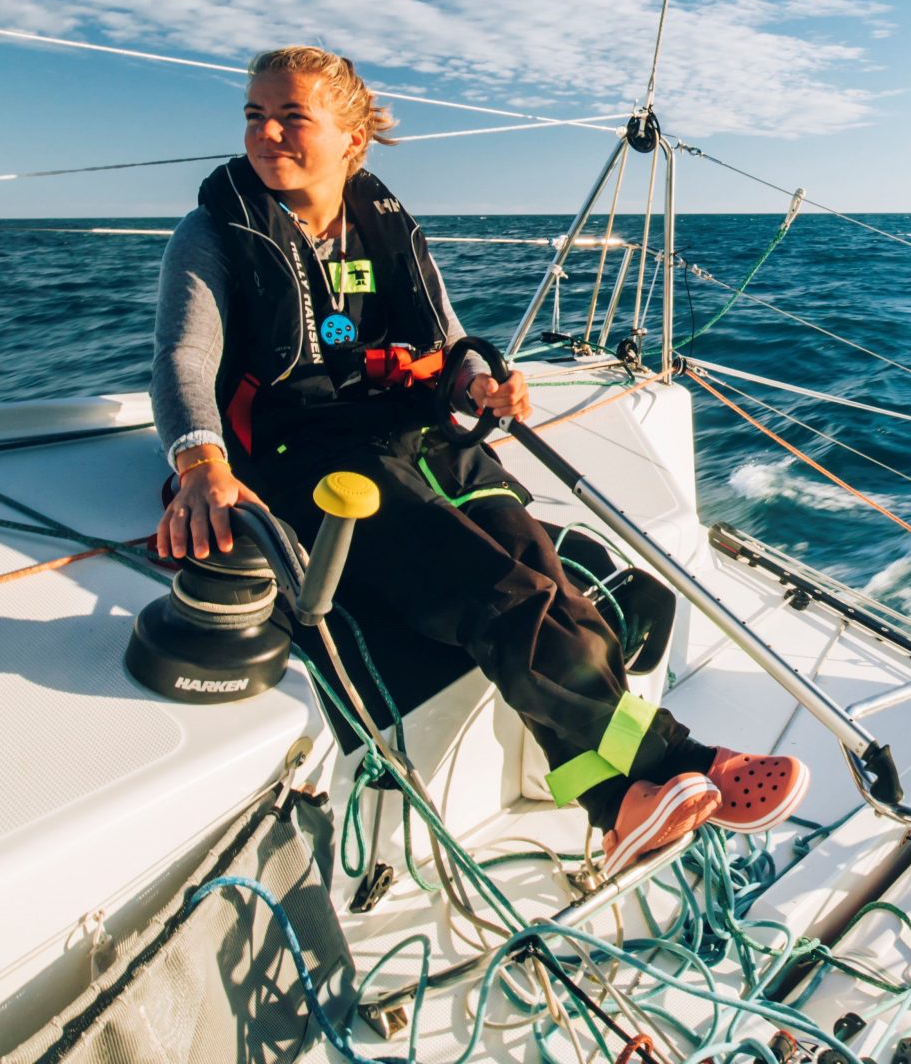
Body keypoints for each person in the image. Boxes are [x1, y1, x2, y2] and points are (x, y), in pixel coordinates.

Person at [150, 46, 807, 871]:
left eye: (291, 116)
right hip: (306, 456)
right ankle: (678, 758)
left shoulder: (381, 219)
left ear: (352, 139)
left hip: (417, 435)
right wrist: (199, 462)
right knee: (500, 594)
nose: (266, 132)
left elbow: (447, 339)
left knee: (545, 571)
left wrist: (484, 379)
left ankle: (617, 806)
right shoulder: (215, 232)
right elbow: (181, 358)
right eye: (255, 114)